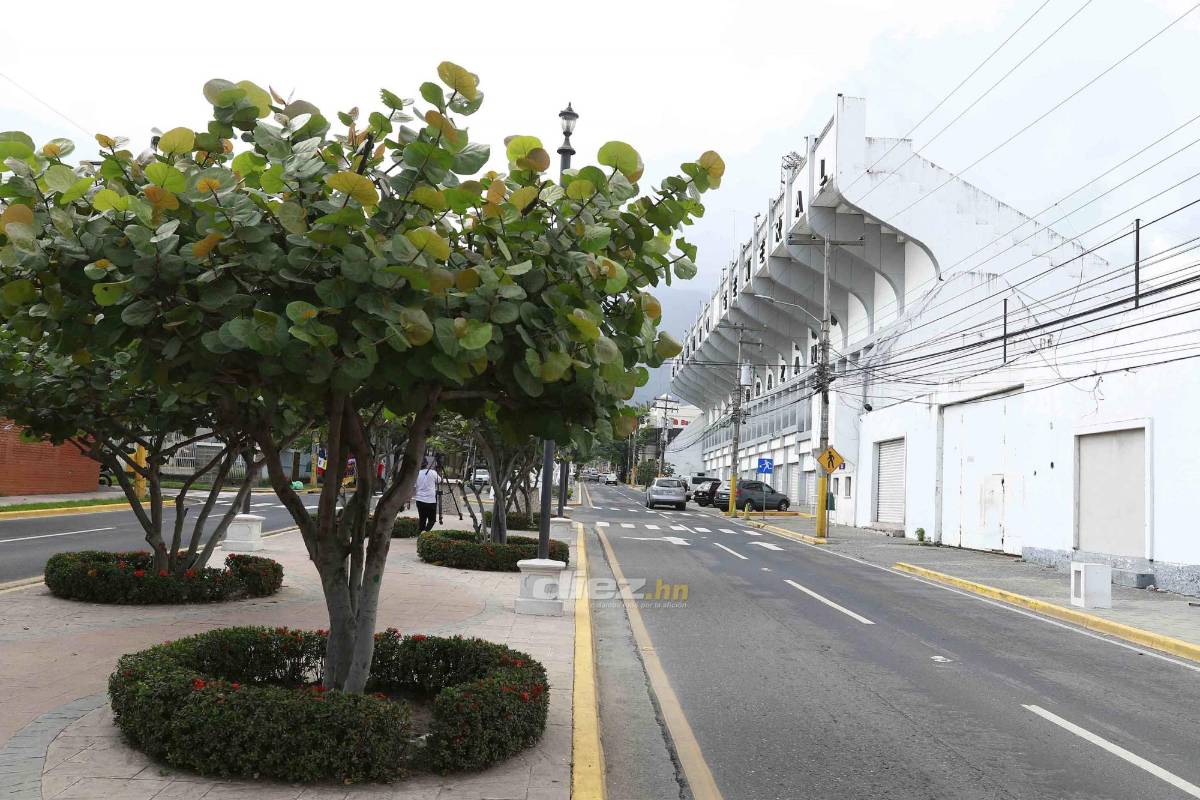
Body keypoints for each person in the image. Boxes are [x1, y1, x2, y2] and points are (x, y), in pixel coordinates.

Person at [414, 457, 440, 532]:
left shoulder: (416, 474)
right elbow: (440, 481)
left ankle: (420, 533)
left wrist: (408, 500)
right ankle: (425, 533)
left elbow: (413, 487)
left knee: (422, 519)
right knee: (432, 520)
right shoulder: (432, 472)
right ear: (427, 464)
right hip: (431, 501)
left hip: (419, 500)